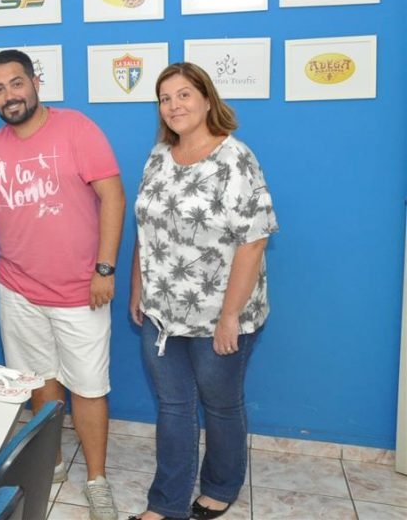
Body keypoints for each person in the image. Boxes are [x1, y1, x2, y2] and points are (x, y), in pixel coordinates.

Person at [0, 49, 125, 520]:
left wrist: (105, 269)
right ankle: (51, 462)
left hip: (80, 292)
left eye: (16, 83)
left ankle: (97, 479)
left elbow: (112, 196)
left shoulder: (77, 129)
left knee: (89, 388)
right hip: (18, 291)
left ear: (35, 83)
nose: (9, 95)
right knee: (41, 382)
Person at [128, 63, 278, 520]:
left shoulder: (236, 159)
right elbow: (145, 228)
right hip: (162, 313)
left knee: (220, 404)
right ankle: (166, 504)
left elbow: (254, 241)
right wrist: (137, 288)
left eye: (184, 95)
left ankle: (221, 485)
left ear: (207, 100)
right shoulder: (158, 156)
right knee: (173, 407)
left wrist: (230, 317)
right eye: (165, 98)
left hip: (221, 314)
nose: (173, 105)